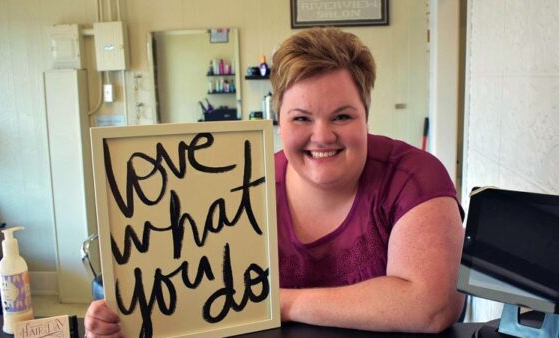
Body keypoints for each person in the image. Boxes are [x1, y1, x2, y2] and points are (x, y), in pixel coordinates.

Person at [84, 27, 465, 336]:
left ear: (366, 114)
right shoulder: (240, 188)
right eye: (301, 118)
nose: (322, 136)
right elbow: (193, 295)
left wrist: (277, 302)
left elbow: (429, 305)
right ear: (278, 121)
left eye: (342, 117)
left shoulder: (413, 178)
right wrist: (129, 317)